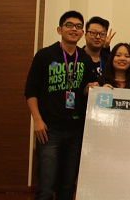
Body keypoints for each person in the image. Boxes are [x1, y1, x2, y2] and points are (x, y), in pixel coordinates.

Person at [24, 11, 99, 200]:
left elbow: (84, 90)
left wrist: (91, 88)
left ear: (82, 33)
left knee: (67, 187)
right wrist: (37, 120)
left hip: (75, 130)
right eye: (69, 25)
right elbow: (30, 91)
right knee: (46, 187)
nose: (74, 29)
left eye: (78, 26)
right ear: (59, 29)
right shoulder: (44, 55)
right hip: (49, 130)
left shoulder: (84, 58)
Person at [83, 16, 110, 81]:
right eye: (93, 33)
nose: (98, 37)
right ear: (85, 35)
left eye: (102, 34)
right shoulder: (77, 58)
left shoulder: (109, 61)